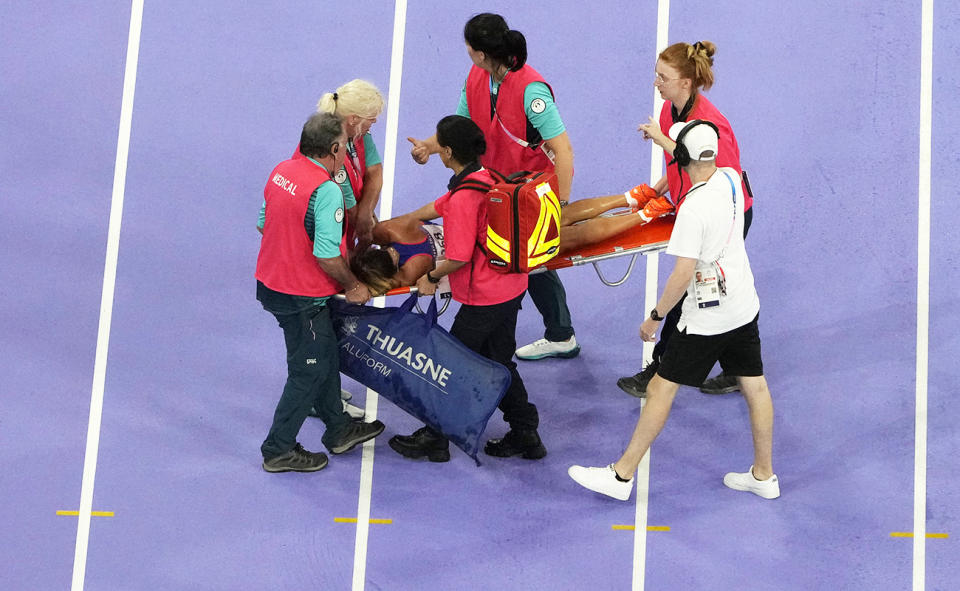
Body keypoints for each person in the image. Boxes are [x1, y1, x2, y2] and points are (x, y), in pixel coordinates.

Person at [568, 120, 778, 501]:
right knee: (755, 384)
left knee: (661, 387)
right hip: (743, 305)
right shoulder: (730, 177)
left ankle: (621, 476)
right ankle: (764, 476)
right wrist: (670, 141)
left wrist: (656, 316)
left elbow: (682, 275)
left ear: (680, 159)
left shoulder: (692, 210)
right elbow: (693, 156)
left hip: (706, 318)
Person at [407, 13, 580, 361]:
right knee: (515, 261)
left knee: (529, 261)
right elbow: (461, 124)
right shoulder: (476, 76)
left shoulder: (532, 90)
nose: (466, 51)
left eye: (469, 46)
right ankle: (547, 332)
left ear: (481, 53)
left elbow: (563, 149)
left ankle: (560, 334)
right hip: (494, 188)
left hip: (527, 192)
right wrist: (431, 145)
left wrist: (559, 204)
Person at [388, 115, 546, 462]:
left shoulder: (463, 198)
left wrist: (429, 279)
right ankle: (526, 433)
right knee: (499, 361)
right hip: (511, 287)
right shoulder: (482, 177)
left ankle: (435, 438)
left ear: (446, 152)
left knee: (448, 363)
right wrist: (404, 222)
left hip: (484, 297)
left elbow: (458, 257)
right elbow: (439, 206)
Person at [617, 40, 755, 398]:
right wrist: (656, 191)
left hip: (726, 218)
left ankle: (659, 372)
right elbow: (680, 164)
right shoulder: (668, 110)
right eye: (656, 75)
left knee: (689, 295)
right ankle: (738, 369)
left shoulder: (711, 127)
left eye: (663, 77)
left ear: (686, 83)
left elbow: (717, 181)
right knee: (719, 295)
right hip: (693, 210)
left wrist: (664, 141)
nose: (656, 83)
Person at [255, 112, 385, 473]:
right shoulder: (325, 190)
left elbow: (263, 223)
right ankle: (278, 449)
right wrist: (354, 285)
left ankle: (340, 428)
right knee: (308, 371)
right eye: (345, 146)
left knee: (323, 355)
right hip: (302, 297)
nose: (348, 153)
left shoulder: (282, 170)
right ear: (333, 148)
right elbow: (327, 255)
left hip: (273, 282)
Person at [351, 189, 675, 295]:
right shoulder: (393, 231)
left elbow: (407, 283)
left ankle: (644, 217)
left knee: (567, 239)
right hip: (489, 220)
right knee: (561, 215)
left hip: (496, 248)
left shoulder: (411, 270)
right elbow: (373, 229)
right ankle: (631, 197)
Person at [316, 79, 385, 248]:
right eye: (371, 118)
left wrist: (366, 210)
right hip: (327, 232)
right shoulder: (331, 153)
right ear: (353, 118)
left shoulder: (357, 133)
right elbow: (351, 212)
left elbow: (375, 171)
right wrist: (365, 228)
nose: (375, 121)